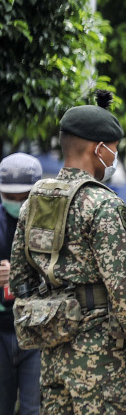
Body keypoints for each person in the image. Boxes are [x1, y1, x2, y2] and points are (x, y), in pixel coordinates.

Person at [9, 91, 126, 415]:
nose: (114, 158)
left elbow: (21, 280)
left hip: (51, 351)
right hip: (102, 360)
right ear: (99, 149)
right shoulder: (103, 205)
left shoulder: (34, 201)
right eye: (115, 151)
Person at [0, 153, 42, 415]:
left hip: (37, 329)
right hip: (1, 329)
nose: (16, 204)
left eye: (23, 197)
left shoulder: (48, 223)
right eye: (9, 197)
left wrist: (22, 274)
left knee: (34, 407)